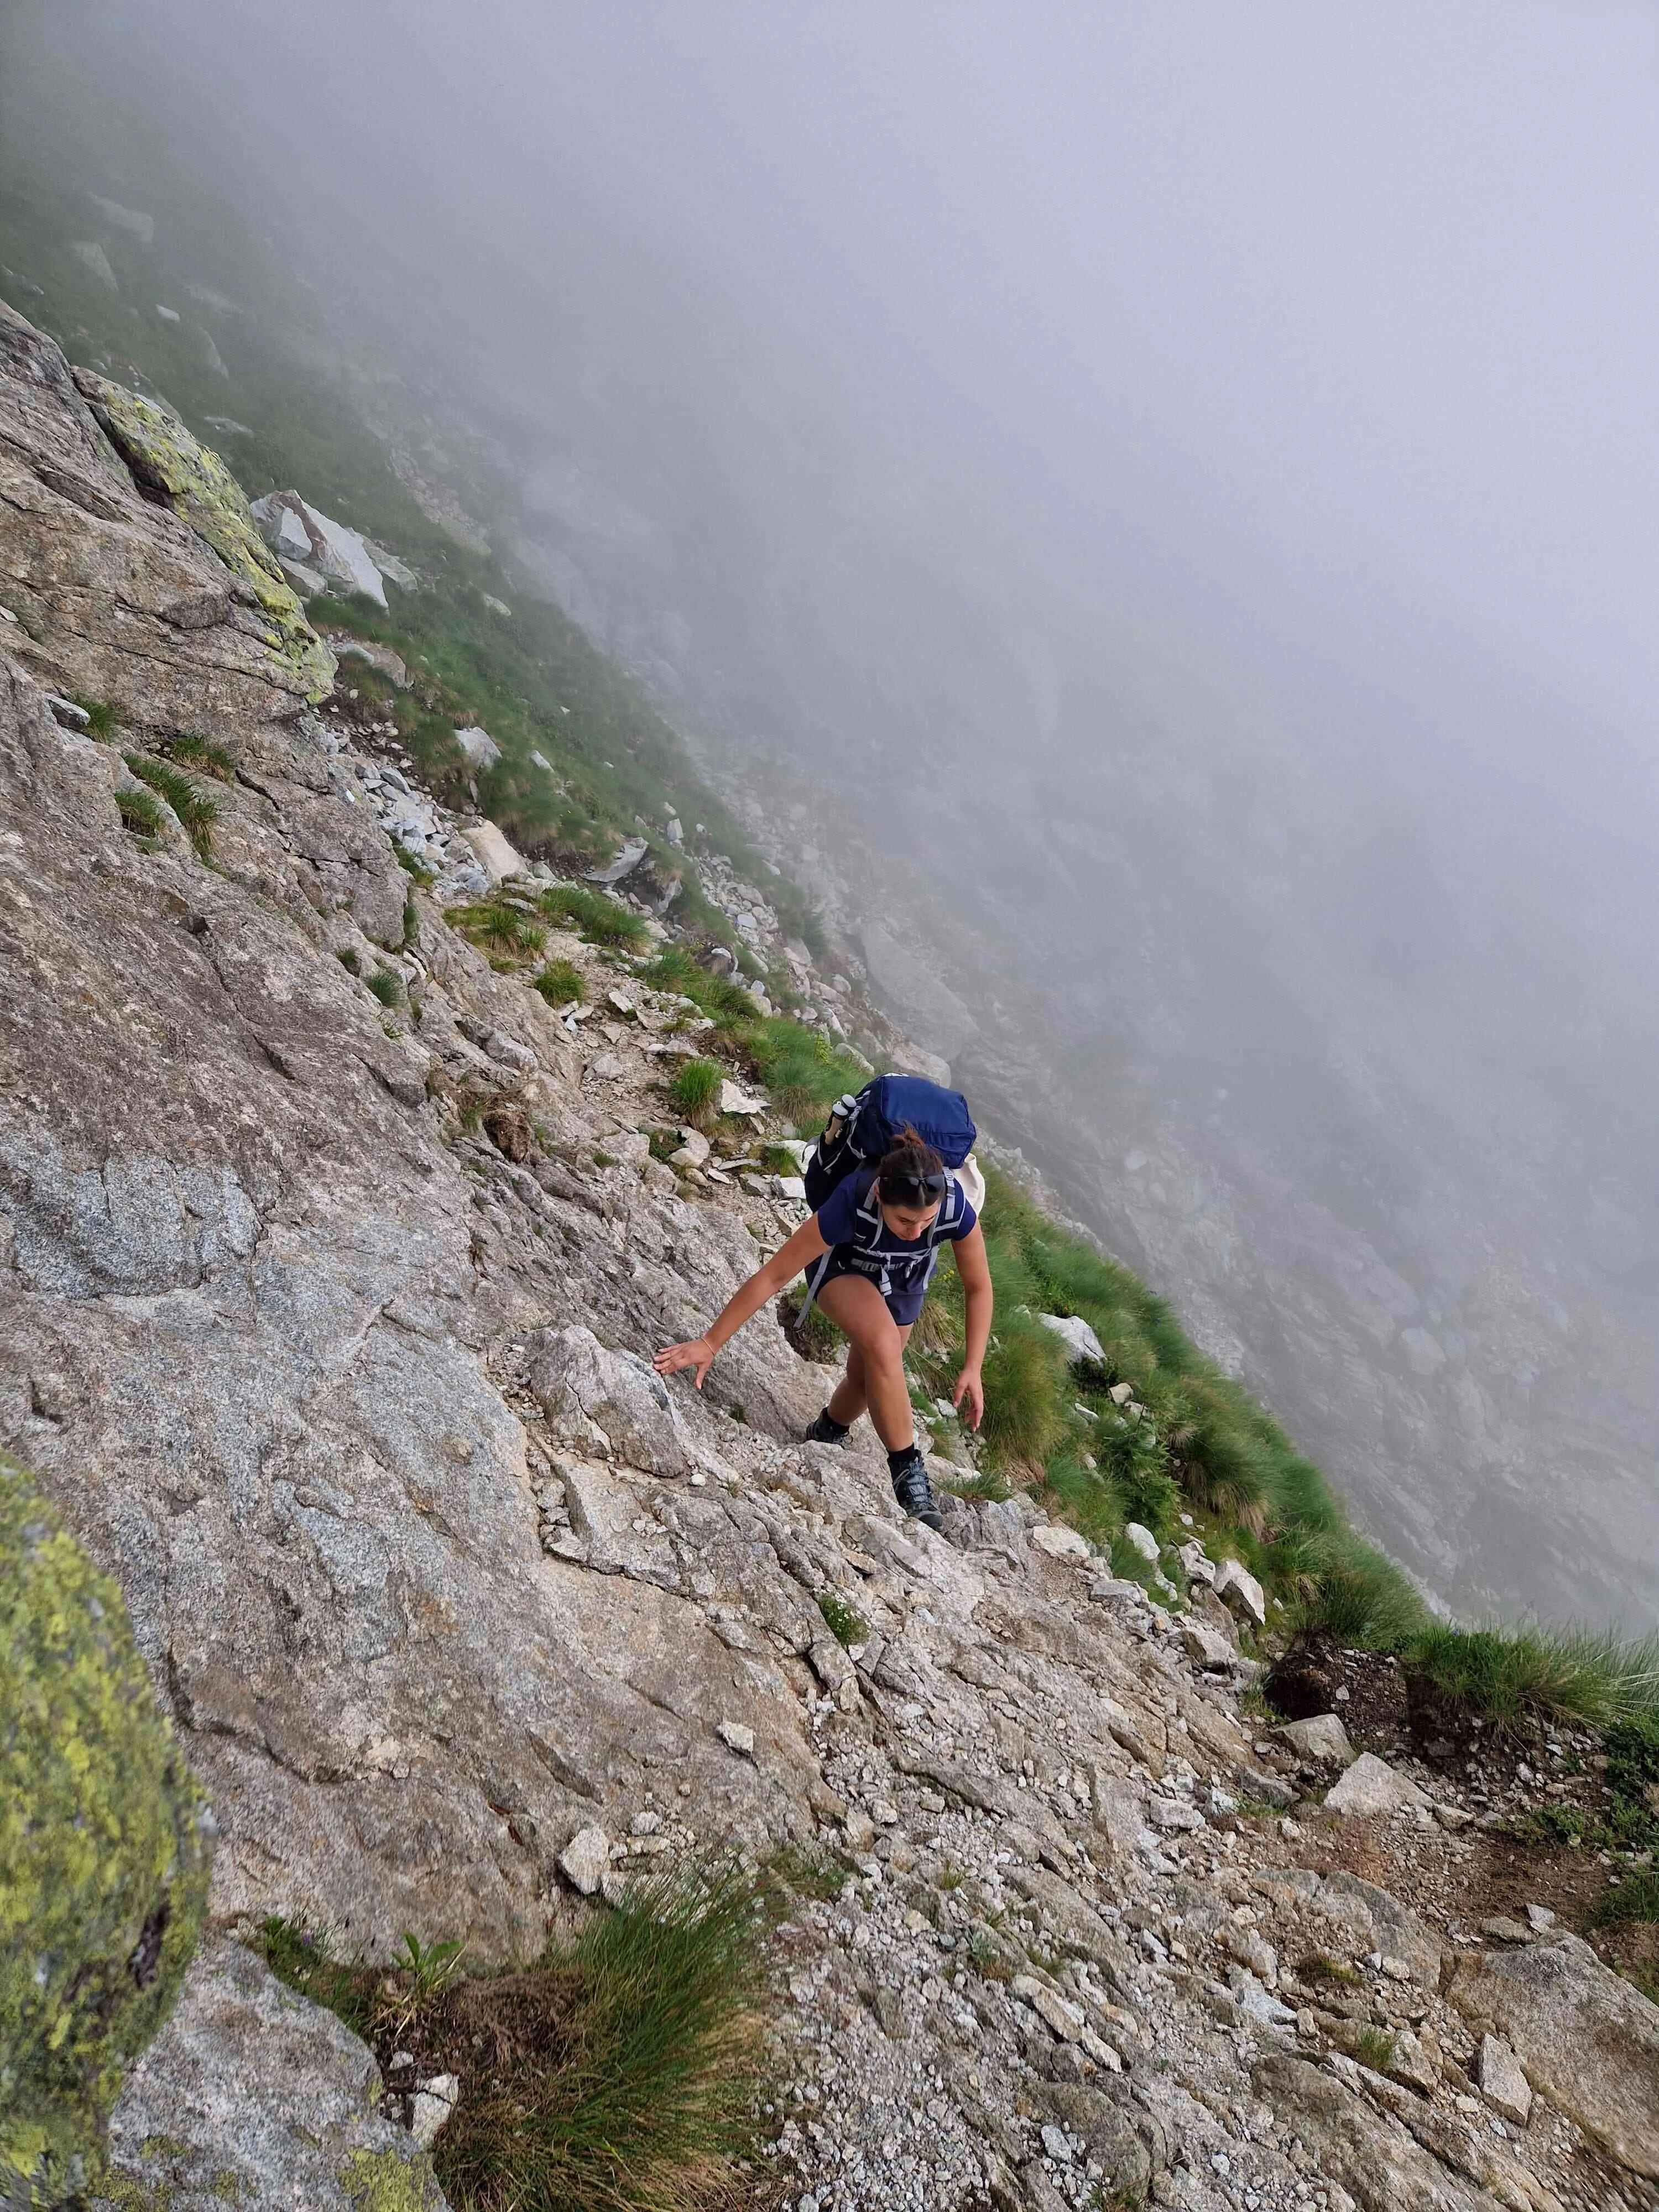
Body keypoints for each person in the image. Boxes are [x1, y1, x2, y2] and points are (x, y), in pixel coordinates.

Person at [654, 1128, 993, 1530]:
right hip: (842, 1269)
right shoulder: (853, 1200)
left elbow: (979, 1286)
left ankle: (829, 1429)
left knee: (869, 1378)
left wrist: (973, 1366)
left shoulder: (954, 1207)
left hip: (904, 1281)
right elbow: (774, 1276)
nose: (916, 1233)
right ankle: (909, 1476)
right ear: (882, 1196)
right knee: (884, 1346)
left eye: (926, 1221)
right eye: (905, 1221)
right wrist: (711, 1342)